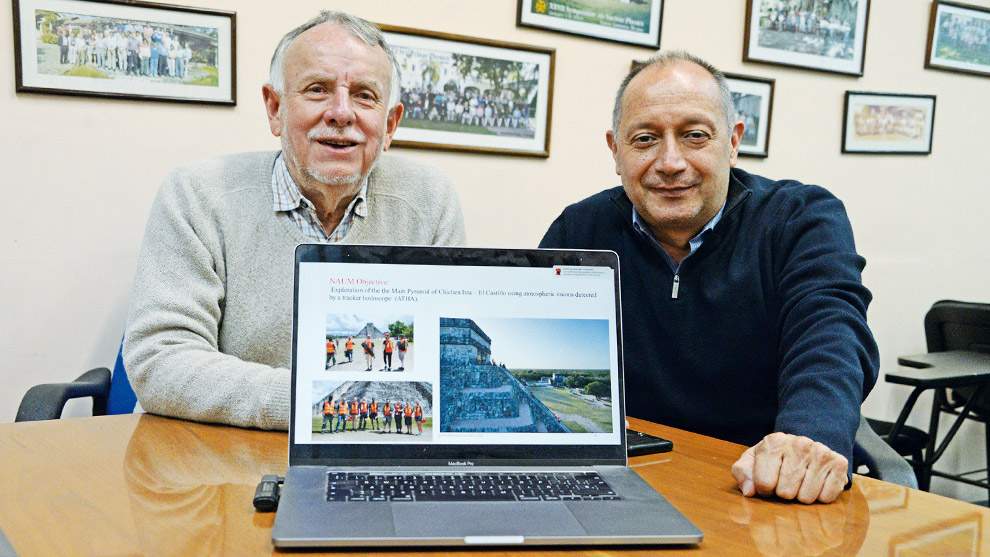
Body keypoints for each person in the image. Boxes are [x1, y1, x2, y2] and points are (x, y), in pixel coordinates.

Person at [539, 51, 878, 505]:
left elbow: (831, 336)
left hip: (759, 483)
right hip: (630, 485)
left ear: (733, 142)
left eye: (694, 136)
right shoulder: (580, 231)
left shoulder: (801, 219)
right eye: (644, 140)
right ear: (615, 150)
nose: (671, 162)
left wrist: (805, 439)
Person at [123, 11, 466, 432]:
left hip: (376, 446)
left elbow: (443, 357)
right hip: (221, 457)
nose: (342, 113)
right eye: (317, 90)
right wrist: (313, 402)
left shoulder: (430, 199)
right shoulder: (197, 194)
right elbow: (160, 359)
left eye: (364, 95)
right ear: (275, 108)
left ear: (390, 124)